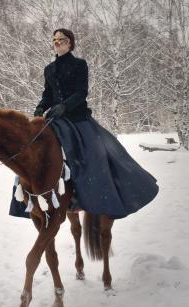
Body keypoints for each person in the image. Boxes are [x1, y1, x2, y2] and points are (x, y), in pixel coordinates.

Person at [10, 28, 158, 219]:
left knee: (94, 154)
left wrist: (64, 106)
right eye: (54, 40)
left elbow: (81, 92)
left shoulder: (80, 65)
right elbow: (47, 95)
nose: (57, 42)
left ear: (70, 43)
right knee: (32, 148)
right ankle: (27, 197)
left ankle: (84, 196)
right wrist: (40, 110)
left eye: (61, 40)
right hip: (55, 118)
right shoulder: (49, 69)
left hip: (78, 118)